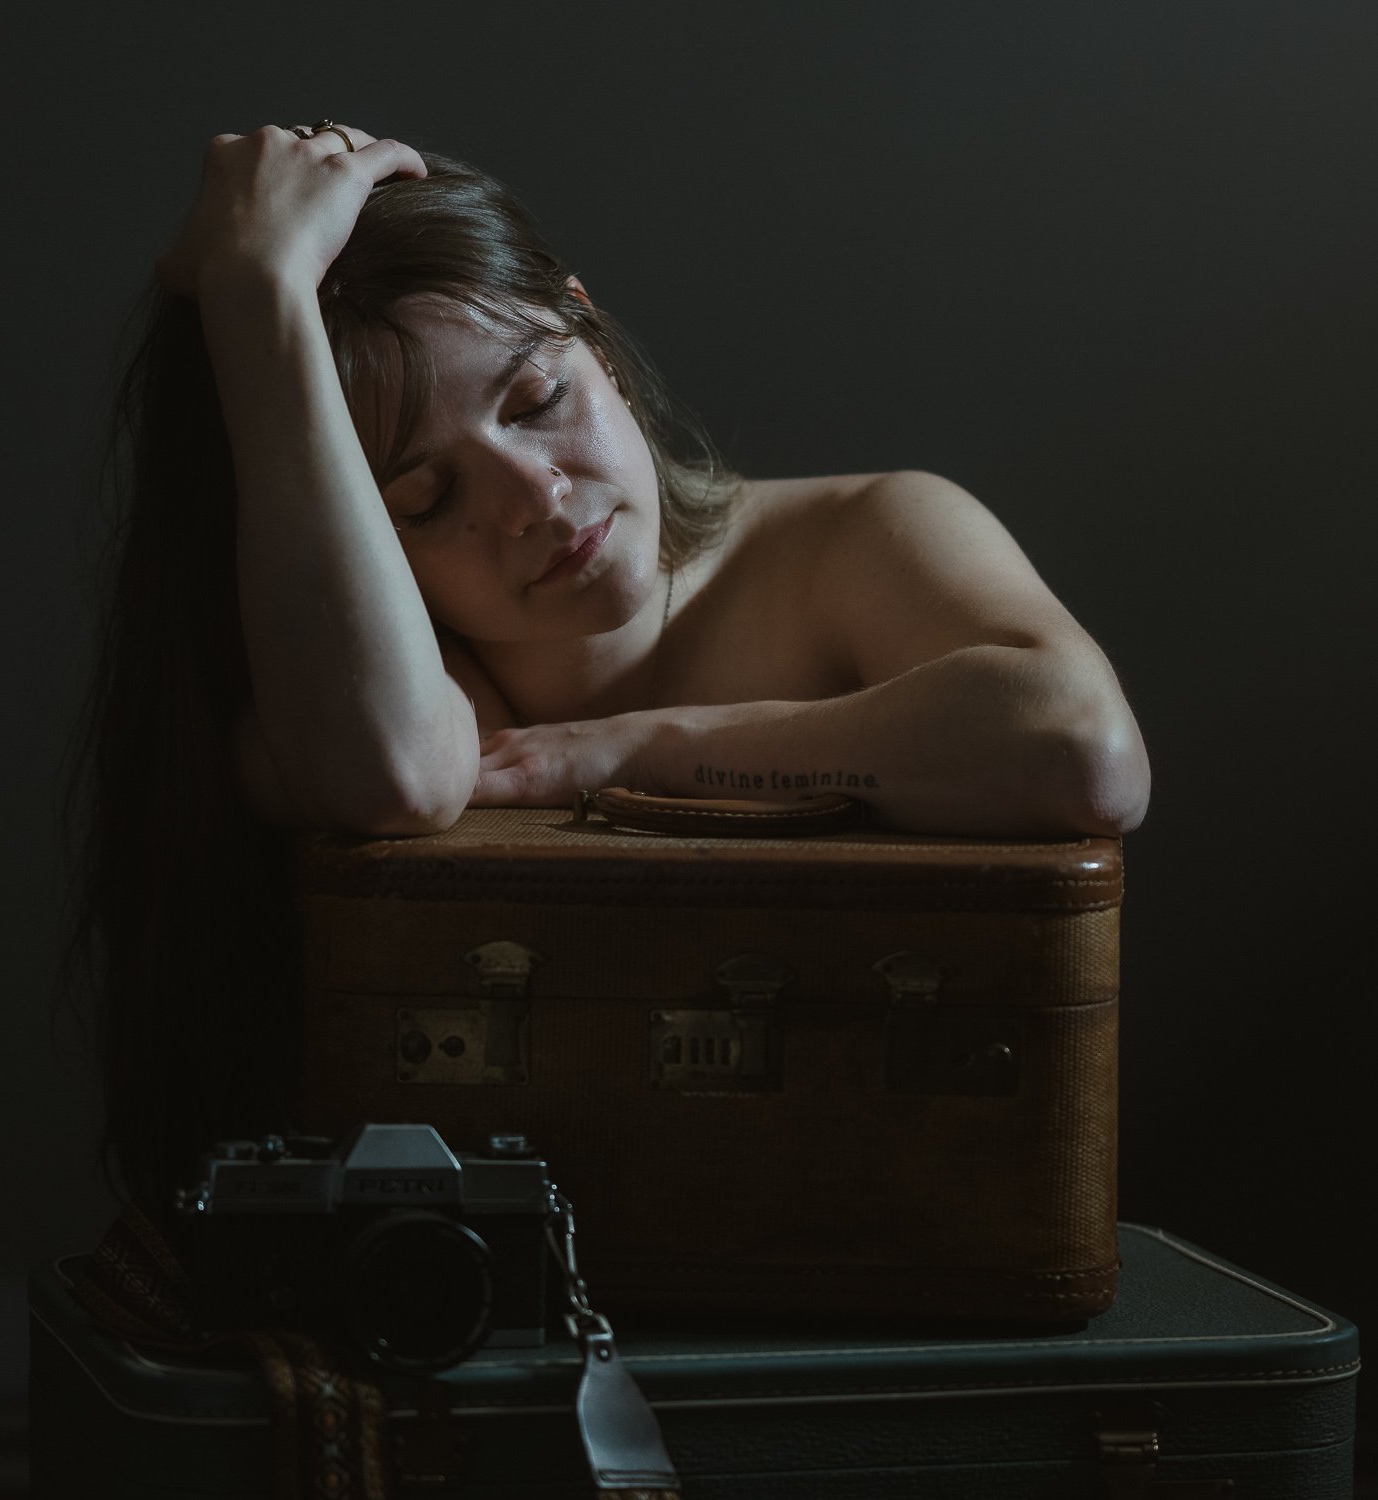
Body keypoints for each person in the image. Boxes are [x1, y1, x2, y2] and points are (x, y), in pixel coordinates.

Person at [70, 121, 1149, 1206]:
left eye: (539, 400)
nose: (536, 498)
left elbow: (1083, 751)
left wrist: (640, 750)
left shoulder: (859, 537)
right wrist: (259, 300)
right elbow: (398, 776)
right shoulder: (376, 691)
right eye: (426, 499)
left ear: (601, 345)